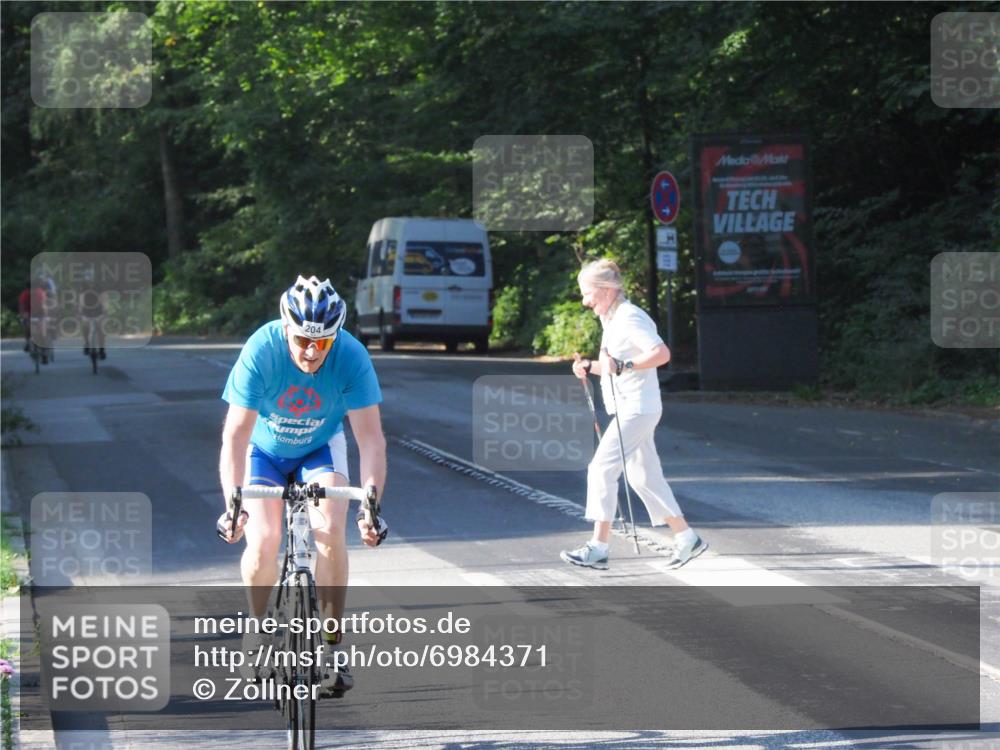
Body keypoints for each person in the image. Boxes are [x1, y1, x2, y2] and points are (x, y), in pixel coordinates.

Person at [216, 275, 387, 696]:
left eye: (322, 343)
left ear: (335, 337)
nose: (312, 352)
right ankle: (257, 634)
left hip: (319, 448)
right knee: (264, 539)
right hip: (265, 452)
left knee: (330, 532)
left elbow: (371, 439)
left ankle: (331, 646)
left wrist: (372, 507)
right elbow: (235, 437)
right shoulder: (261, 350)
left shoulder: (351, 356)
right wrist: (232, 505)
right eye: (303, 341)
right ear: (286, 329)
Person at [561, 259, 707, 571]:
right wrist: (589, 366)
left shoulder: (629, 317)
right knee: (644, 478)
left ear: (606, 290)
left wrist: (626, 366)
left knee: (601, 468)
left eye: (588, 294)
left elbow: (661, 354)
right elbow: (615, 366)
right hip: (632, 407)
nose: (585, 301)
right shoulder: (612, 320)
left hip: (637, 409)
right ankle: (687, 537)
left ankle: (598, 548)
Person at [18, 278, 49, 362]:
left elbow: (21, 307)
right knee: (42, 332)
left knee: (27, 327)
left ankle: (28, 342)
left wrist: (22, 317)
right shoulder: (40, 292)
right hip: (37, 313)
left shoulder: (25, 293)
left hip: (33, 313)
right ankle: (43, 351)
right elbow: (44, 305)